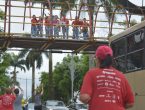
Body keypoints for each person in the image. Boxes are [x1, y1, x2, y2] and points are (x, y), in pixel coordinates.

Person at [79, 45, 134, 110]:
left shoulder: (91, 74)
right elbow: (130, 103)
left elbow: (84, 97)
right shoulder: (121, 76)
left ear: (97, 59)